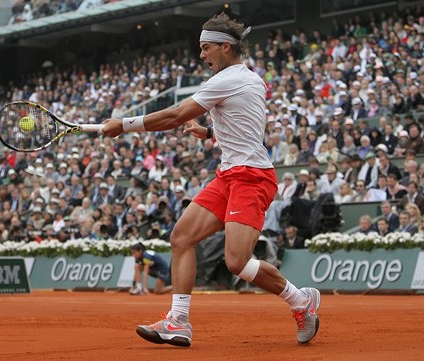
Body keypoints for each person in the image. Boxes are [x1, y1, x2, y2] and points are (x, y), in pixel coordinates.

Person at [102, 13, 320, 348]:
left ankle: (300, 301)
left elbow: (176, 115)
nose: (202, 55)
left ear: (225, 46)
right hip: (228, 175)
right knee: (182, 237)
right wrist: (210, 133)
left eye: (206, 48)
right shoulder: (250, 79)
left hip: (252, 178)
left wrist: (124, 124)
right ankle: (178, 321)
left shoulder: (226, 79)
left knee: (236, 262)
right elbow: (243, 123)